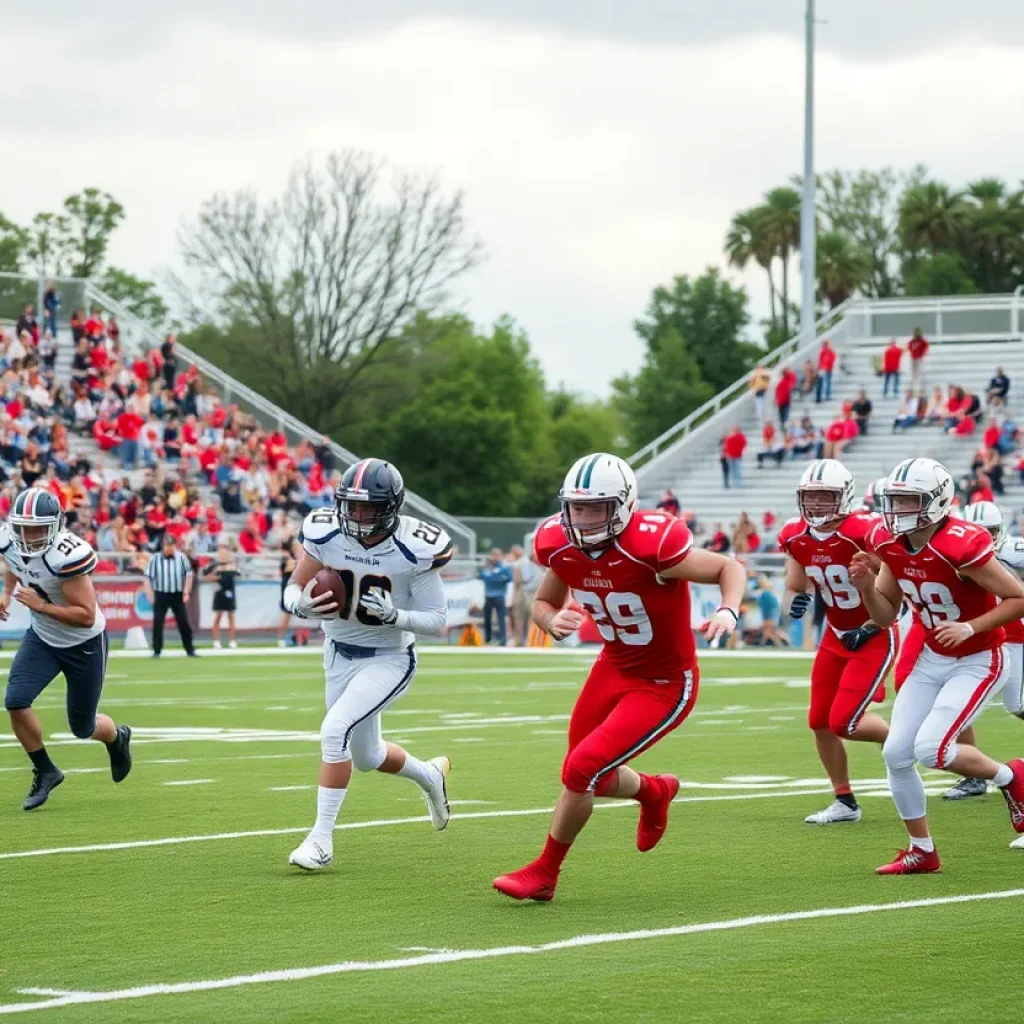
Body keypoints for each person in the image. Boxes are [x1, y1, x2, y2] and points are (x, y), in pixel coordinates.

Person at [492, 453, 744, 902]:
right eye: (576, 507)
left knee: (581, 769)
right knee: (590, 776)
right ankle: (653, 791)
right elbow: (542, 603)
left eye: (596, 508)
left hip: (665, 682)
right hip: (612, 667)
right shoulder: (560, 544)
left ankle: (545, 872)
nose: (583, 518)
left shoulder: (652, 546)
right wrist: (551, 620)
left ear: (623, 506)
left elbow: (730, 567)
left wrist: (727, 609)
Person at [848, 458, 1024, 873]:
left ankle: (1010, 776)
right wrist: (865, 589)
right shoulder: (892, 544)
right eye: (895, 500)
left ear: (937, 501)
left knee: (932, 750)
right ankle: (922, 850)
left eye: (909, 501)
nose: (898, 509)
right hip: (932, 658)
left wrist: (970, 626)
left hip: (979, 658)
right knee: (896, 752)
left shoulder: (962, 543)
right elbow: (887, 614)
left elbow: (1017, 597)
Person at [282, 458, 453, 871]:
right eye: (351, 506)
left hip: (388, 658)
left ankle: (320, 840)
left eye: (368, 508)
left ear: (391, 507)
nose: (357, 517)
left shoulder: (413, 548)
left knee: (334, 729)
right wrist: (300, 606)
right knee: (367, 756)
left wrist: (397, 617)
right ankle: (429, 775)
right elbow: (291, 588)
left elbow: (439, 621)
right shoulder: (325, 533)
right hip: (337, 653)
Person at [0, 487, 132, 809]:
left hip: (82, 644)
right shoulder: (9, 539)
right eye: (23, 528)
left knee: (82, 728)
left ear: (55, 526)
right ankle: (45, 770)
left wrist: (41, 606)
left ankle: (117, 737)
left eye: (37, 528)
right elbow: (13, 565)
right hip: (43, 639)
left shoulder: (66, 555)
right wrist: (6, 595)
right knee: (16, 701)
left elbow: (86, 617)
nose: (28, 536)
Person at [779, 461, 894, 825]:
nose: (816, 504)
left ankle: (900, 740)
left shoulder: (864, 530)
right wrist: (796, 598)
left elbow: (895, 577)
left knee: (845, 721)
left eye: (824, 496)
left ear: (843, 496)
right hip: (835, 635)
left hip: (873, 632)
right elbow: (796, 583)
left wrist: (872, 582)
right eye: (810, 496)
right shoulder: (796, 534)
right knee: (819, 721)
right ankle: (844, 801)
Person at [943, 502, 1024, 802]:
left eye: (990, 532)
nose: (986, 539)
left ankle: (977, 775)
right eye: (980, 532)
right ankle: (974, 776)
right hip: (981, 637)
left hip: (1013, 637)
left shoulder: (1013, 552)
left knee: (1015, 704)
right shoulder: (954, 553)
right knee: (962, 706)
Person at [144, 536, 197, 657]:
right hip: (161, 593)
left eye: (172, 546)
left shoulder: (181, 558)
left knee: (183, 621)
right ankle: (157, 650)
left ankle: (189, 649)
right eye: (167, 546)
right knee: (158, 621)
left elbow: (189, 575)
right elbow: (147, 577)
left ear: (175, 546)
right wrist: (150, 594)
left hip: (177, 594)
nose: (169, 548)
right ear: (163, 546)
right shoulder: (155, 558)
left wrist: (186, 592)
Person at [205, 545, 239, 650]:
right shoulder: (215, 566)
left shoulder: (232, 565)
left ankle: (232, 641)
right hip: (219, 592)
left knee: (231, 617)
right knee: (218, 616)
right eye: (221, 553)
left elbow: (238, 574)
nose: (223, 555)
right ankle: (216, 641)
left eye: (225, 553)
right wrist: (217, 577)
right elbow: (206, 576)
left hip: (230, 592)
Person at [478, 548, 513, 645]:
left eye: (498, 555)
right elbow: (482, 577)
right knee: (487, 618)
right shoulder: (487, 568)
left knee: (501, 618)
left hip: (500, 595)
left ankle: (503, 639)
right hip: (488, 595)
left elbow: (507, 579)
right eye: (494, 555)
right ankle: (488, 638)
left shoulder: (504, 568)